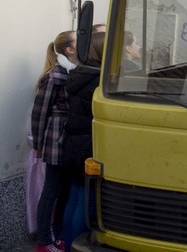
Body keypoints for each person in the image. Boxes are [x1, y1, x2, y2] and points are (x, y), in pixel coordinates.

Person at [31, 30, 77, 252]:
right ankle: (43, 242)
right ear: (69, 49)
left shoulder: (72, 71)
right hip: (55, 139)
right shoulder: (54, 75)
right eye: (78, 40)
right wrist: (39, 145)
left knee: (64, 190)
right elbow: (39, 113)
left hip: (68, 139)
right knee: (51, 191)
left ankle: (57, 236)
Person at [62, 32, 104, 250]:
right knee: (86, 203)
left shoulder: (79, 73)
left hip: (73, 143)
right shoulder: (98, 79)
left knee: (74, 197)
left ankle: (67, 245)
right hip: (88, 145)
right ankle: (75, 246)